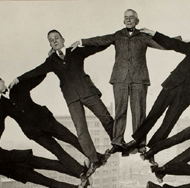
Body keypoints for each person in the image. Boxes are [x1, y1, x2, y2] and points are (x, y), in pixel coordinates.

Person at [9, 29, 114, 179]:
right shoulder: (51, 61)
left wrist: (96, 41)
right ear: (50, 45)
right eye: (51, 40)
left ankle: (117, 142)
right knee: (81, 130)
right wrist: (18, 79)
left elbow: (98, 47)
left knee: (105, 117)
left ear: (63, 39)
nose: (54, 41)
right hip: (72, 99)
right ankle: (94, 159)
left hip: (88, 92)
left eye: (56, 38)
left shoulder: (75, 51)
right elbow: (36, 71)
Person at [70, 9, 174, 151]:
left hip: (139, 79)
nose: (129, 20)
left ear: (137, 21)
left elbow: (162, 44)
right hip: (119, 79)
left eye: (132, 17)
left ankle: (140, 143)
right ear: (123, 20)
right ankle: (117, 141)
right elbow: (101, 40)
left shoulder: (144, 36)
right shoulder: (117, 35)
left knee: (139, 112)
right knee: (120, 110)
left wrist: (178, 42)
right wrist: (82, 41)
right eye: (126, 17)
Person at [122, 28, 190, 162]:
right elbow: (172, 43)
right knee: (154, 113)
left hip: (186, 96)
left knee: (168, 123)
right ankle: (136, 141)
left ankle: (152, 149)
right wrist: (154, 33)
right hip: (171, 86)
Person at [0, 74, 86, 180]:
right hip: (34, 133)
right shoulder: (2, 105)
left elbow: (39, 77)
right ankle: (81, 172)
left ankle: (96, 157)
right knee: (58, 151)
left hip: (47, 121)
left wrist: (20, 79)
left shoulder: (18, 87)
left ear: (2, 81)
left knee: (71, 138)